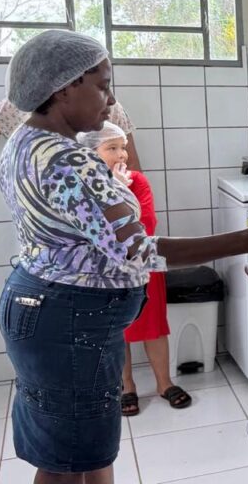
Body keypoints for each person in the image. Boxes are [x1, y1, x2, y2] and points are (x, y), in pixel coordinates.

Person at [0, 30, 248, 484]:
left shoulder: (23, 142)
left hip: (47, 310)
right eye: (102, 85)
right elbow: (139, 251)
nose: (111, 99)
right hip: (69, 323)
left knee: (88, 449)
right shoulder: (68, 162)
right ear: (63, 88)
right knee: (64, 465)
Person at [76, 123, 189, 417]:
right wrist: (112, 192)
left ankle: (164, 383)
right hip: (105, 272)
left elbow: (146, 226)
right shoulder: (83, 186)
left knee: (154, 325)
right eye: (111, 148)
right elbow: (92, 233)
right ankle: (127, 386)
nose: (122, 154)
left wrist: (123, 193)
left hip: (144, 267)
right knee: (118, 330)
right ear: (91, 154)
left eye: (122, 146)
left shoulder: (138, 181)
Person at [0, 95, 143, 170]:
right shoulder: (19, 105)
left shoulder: (108, 106)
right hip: (41, 210)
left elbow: (132, 166)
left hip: (102, 205)